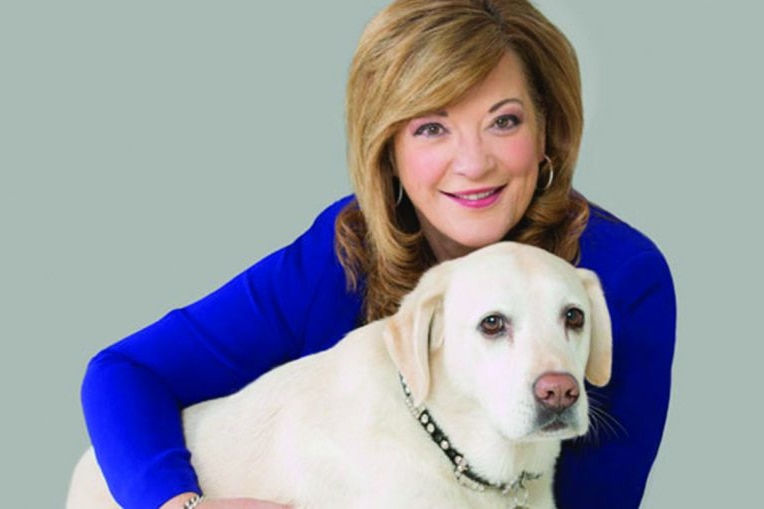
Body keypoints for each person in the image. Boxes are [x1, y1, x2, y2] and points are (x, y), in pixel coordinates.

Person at [80, 1, 676, 508]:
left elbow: (599, 497)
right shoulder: (345, 251)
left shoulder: (621, 279)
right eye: (431, 128)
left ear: (547, 131)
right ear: (386, 149)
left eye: (504, 121)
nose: (473, 163)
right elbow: (125, 373)